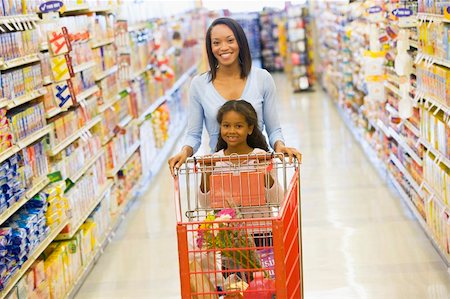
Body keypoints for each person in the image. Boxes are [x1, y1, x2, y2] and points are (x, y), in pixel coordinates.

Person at [168, 17, 301, 176]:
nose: (223, 47)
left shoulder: (262, 79)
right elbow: (193, 135)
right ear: (210, 48)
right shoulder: (199, 84)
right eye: (216, 43)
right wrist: (185, 151)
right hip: (219, 170)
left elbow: (274, 130)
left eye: (230, 40)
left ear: (240, 42)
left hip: (259, 169)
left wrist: (280, 147)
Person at [196, 100, 284, 213]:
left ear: (250, 128)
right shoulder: (215, 161)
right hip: (228, 229)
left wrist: (265, 173)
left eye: (238, 126)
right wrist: (206, 173)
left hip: (260, 228)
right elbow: (206, 206)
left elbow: (277, 200)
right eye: (226, 125)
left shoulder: (261, 158)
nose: (232, 131)